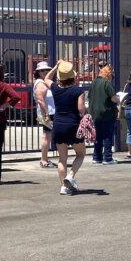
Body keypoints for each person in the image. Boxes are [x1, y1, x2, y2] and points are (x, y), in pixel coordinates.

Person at [43, 61, 87, 195]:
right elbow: (81, 109)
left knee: (62, 159)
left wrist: (56, 66)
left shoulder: (55, 89)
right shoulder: (78, 90)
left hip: (58, 125)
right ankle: (71, 176)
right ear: (72, 77)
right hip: (73, 125)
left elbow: (46, 79)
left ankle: (63, 186)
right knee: (80, 154)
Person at [89, 65, 118, 165]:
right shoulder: (106, 83)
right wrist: (119, 99)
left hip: (95, 113)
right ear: (108, 74)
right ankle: (108, 158)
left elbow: (90, 97)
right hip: (106, 113)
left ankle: (97, 157)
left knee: (98, 136)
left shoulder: (94, 82)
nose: (112, 76)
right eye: (112, 74)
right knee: (107, 136)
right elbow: (113, 98)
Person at [32, 61, 56, 168]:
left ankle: (45, 158)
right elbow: (40, 100)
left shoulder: (45, 81)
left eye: (46, 70)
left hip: (50, 112)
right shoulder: (40, 83)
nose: (45, 72)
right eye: (42, 70)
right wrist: (46, 113)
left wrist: (55, 67)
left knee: (48, 136)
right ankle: (44, 159)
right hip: (48, 113)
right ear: (38, 72)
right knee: (47, 136)